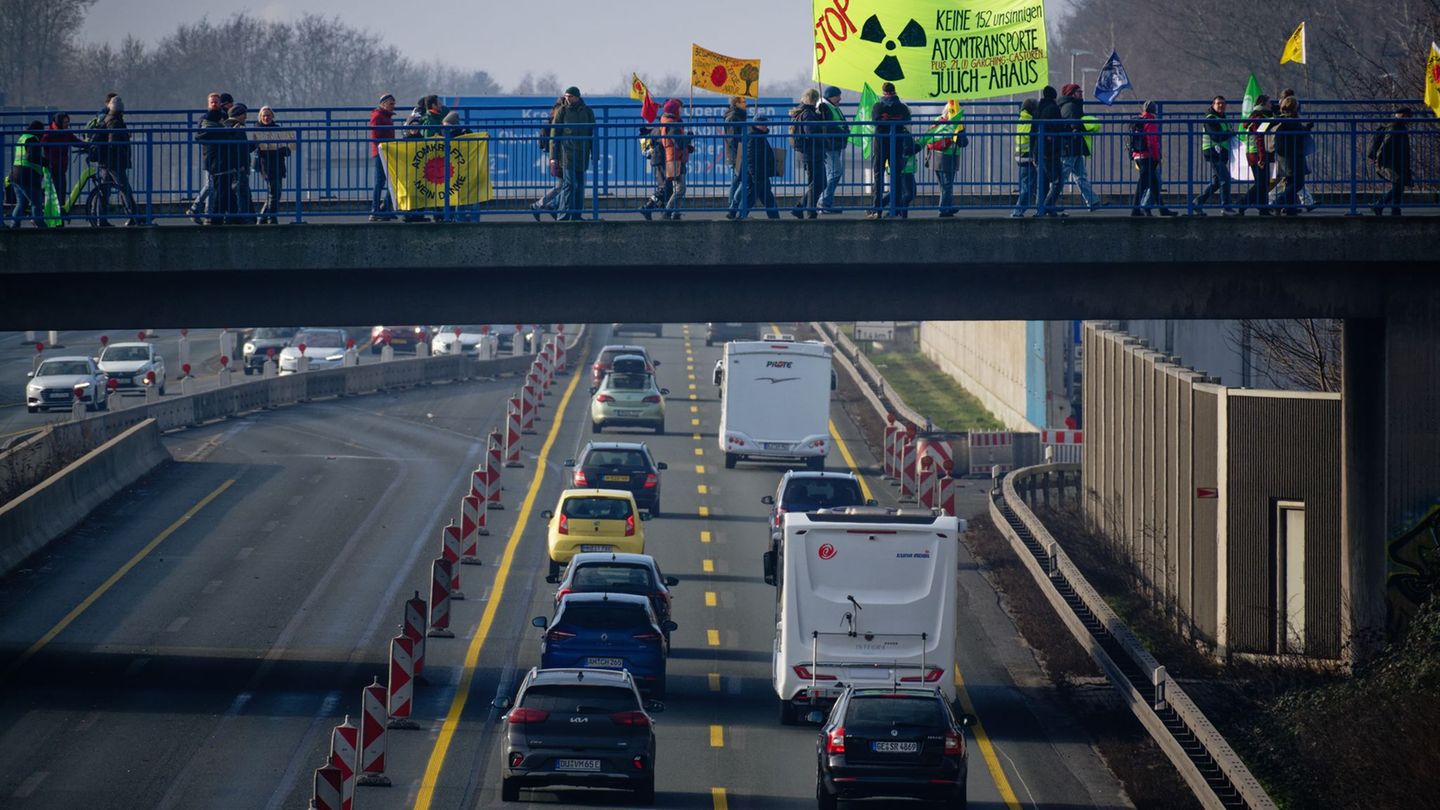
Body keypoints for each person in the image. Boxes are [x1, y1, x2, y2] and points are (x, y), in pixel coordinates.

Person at [1045, 84, 1100, 214]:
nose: (1081, 94)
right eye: (1078, 92)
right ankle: (1048, 203)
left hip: (1074, 147)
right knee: (1061, 178)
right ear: (1072, 94)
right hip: (1070, 147)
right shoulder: (1071, 107)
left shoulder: (1071, 105)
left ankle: (1093, 201)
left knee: (1080, 175)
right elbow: (1073, 124)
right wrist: (1085, 126)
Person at [90, 94, 140, 226]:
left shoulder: (108, 118)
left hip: (105, 162)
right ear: (121, 110)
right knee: (124, 188)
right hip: (114, 162)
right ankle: (134, 216)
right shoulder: (115, 121)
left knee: (104, 191)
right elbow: (114, 141)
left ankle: (99, 218)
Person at [866, 82, 912, 220]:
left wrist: (885, 120)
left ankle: (877, 208)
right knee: (896, 176)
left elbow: (875, 121)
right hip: (897, 142)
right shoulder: (902, 107)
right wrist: (895, 121)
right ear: (894, 91)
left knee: (878, 176)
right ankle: (897, 208)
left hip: (880, 143)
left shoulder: (878, 106)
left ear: (883, 92)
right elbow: (907, 121)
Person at [548, 86, 594, 221]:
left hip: (582, 154)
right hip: (567, 154)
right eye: (566, 96)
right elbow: (554, 135)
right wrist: (553, 157)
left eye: (571, 96)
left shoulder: (587, 111)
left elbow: (593, 133)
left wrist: (594, 153)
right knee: (569, 185)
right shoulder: (562, 111)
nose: (568, 99)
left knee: (580, 186)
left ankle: (576, 215)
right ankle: (563, 216)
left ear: (577, 97)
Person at [1130, 101, 1176, 216]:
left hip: (1138, 155)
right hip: (1148, 156)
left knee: (1154, 183)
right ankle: (1135, 210)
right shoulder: (1151, 121)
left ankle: (1162, 209)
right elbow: (1152, 142)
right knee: (1143, 184)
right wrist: (1157, 158)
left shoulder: (1138, 120)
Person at [1193, 96, 1237, 215]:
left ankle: (1197, 202)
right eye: (1218, 103)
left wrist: (1228, 134)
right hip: (1213, 152)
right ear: (1213, 105)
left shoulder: (1223, 118)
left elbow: (1225, 134)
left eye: (1223, 104)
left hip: (1221, 153)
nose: (1221, 106)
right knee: (1225, 178)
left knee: (1217, 181)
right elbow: (1216, 136)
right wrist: (1229, 134)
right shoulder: (1211, 118)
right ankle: (1225, 207)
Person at [186, 93, 224, 222]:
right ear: (208, 104)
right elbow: (200, 136)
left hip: (222, 156)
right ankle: (196, 208)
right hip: (210, 155)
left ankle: (208, 212)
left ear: (220, 103)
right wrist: (218, 131)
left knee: (213, 184)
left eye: (216, 102)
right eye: (212, 102)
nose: (214, 104)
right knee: (211, 184)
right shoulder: (204, 119)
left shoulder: (224, 117)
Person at [922, 103, 965, 216]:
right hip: (948, 157)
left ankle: (947, 206)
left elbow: (929, 136)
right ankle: (943, 209)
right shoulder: (956, 125)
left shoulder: (937, 120)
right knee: (947, 184)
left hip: (935, 157)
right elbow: (963, 142)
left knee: (943, 185)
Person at [735, 114, 780, 219]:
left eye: (766, 124)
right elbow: (751, 159)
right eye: (763, 124)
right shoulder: (754, 137)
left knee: (767, 198)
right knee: (751, 198)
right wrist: (755, 176)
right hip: (756, 175)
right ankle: (739, 217)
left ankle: (776, 220)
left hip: (760, 174)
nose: (766, 126)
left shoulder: (758, 136)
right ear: (757, 125)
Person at [1368, 107, 1412, 216]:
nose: (1409, 120)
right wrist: (1379, 159)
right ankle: (1380, 205)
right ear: (1403, 115)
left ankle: (1394, 210)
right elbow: (1386, 145)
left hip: (1395, 161)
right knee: (1399, 183)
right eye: (1408, 117)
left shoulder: (1395, 126)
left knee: (1398, 183)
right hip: (1390, 162)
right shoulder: (1395, 127)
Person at [251, 106, 290, 224]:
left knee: (276, 193)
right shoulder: (258, 130)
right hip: (267, 165)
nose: (266, 118)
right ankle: (270, 217)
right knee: (273, 192)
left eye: (268, 115)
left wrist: (278, 148)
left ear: (272, 116)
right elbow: (260, 148)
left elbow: (286, 149)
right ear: (260, 117)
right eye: (264, 116)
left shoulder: (277, 129)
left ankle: (264, 217)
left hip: (278, 164)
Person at [790, 88, 825, 218]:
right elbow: (811, 132)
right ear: (815, 100)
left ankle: (800, 207)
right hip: (812, 152)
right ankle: (809, 210)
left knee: (818, 182)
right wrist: (820, 119)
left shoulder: (800, 111)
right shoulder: (808, 114)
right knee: (817, 182)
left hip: (807, 152)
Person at [40, 113, 83, 218]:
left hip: (61, 167)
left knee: (61, 193)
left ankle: (59, 218)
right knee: (55, 193)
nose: (67, 125)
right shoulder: (49, 133)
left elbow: (76, 141)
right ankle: (53, 217)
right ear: (59, 122)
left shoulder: (66, 133)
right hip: (52, 167)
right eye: (65, 122)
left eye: (68, 122)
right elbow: (39, 145)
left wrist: (87, 145)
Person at [8, 120, 50, 228]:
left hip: (15, 175)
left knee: (22, 203)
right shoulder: (33, 139)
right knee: (36, 202)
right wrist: (46, 162)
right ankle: (40, 224)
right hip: (28, 176)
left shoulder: (23, 137)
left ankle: (14, 225)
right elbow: (31, 157)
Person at [1272, 95, 1308, 215]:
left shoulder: (1280, 119)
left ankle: (1290, 208)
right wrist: (1306, 129)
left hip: (1284, 156)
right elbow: (1298, 134)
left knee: (1290, 182)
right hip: (1294, 156)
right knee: (1298, 183)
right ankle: (1278, 202)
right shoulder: (1293, 121)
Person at [1238, 94, 1273, 216]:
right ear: (1263, 104)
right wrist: (1262, 157)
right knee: (1261, 183)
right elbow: (1259, 138)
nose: (1271, 105)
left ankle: (1263, 208)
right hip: (1258, 154)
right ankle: (1243, 203)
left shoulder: (1256, 116)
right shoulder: (1259, 117)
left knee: (1263, 183)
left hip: (1254, 153)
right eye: (1269, 102)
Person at [531, 95, 565, 221]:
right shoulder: (560, 113)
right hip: (560, 155)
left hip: (558, 154)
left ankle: (544, 205)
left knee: (564, 185)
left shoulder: (555, 113)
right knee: (566, 185)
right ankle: (546, 205)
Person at [817, 86, 849, 212]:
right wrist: (842, 131)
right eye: (838, 96)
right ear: (831, 96)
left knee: (832, 173)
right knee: (836, 172)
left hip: (835, 144)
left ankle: (826, 204)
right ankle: (823, 201)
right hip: (829, 145)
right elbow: (828, 126)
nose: (840, 99)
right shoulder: (824, 107)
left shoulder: (831, 107)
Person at [1032, 86, 1062, 216]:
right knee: (1058, 181)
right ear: (1054, 96)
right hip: (1050, 151)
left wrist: (1034, 151)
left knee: (1042, 182)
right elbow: (1058, 128)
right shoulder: (1054, 109)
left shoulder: (1037, 109)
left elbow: (1032, 131)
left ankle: (1040, 209)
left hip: (1038, 150)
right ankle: (1048, 206)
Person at [369, 93, 397, 221]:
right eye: (391, 104)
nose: (393, 106)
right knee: (380, 181)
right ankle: (375, 210)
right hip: (381, 152)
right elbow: (375, 137)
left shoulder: (386, 117)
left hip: (387, 152)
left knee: (391, 181)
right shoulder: (378, 116)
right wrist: (383, 148)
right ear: (383, 104)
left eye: (393, 104)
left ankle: (384, 208)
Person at [1011, 98, 1037, 218]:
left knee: (1031, 185)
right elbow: (1032, 135)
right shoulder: (1029, 122)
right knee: (1027, 187)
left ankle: (1045, 206)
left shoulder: (1022, 119)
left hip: (1021, 158)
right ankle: (1018, 211)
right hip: (1027, 158)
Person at [722, 96, 748, 213]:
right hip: (737, 153)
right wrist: (742, 147)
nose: (746, 104)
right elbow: (733, 139)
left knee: (738, 179)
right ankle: (732, 206)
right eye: (744, 102)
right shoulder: (733, 117)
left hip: (738, 152)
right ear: (736, 103)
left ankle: (733, 207)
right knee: (738, 180)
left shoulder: (738, 116)